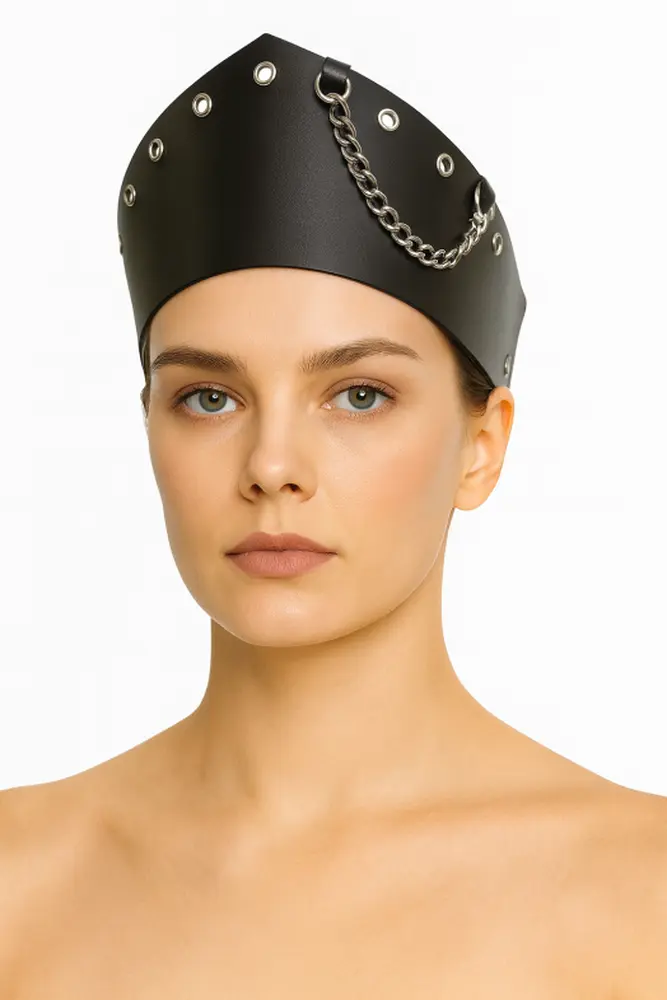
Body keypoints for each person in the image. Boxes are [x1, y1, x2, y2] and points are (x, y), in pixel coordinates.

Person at [1, 30, 666, 998]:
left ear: (481, 445)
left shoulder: (641, 900)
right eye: (208, 398)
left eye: (358, 395)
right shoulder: (19, 884)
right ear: (149, 423)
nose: (271, 466)